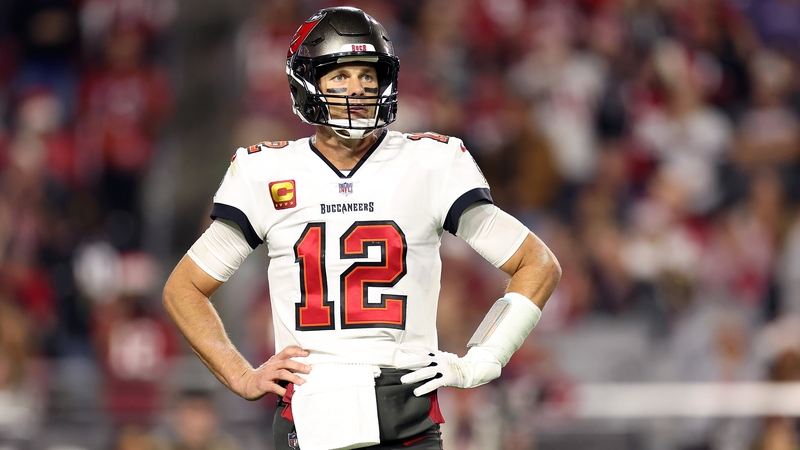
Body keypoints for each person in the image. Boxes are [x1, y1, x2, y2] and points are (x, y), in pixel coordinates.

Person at [162, 6, 561, 450]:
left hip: (407, 407)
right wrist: (240, 374)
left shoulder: (429, 163)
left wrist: (484, 359)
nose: (358, 89)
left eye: (368, 76)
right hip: (311, 409)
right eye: (341, 76)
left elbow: (537, 263)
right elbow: (184, 289)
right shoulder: (266, 172)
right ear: (307, 82)